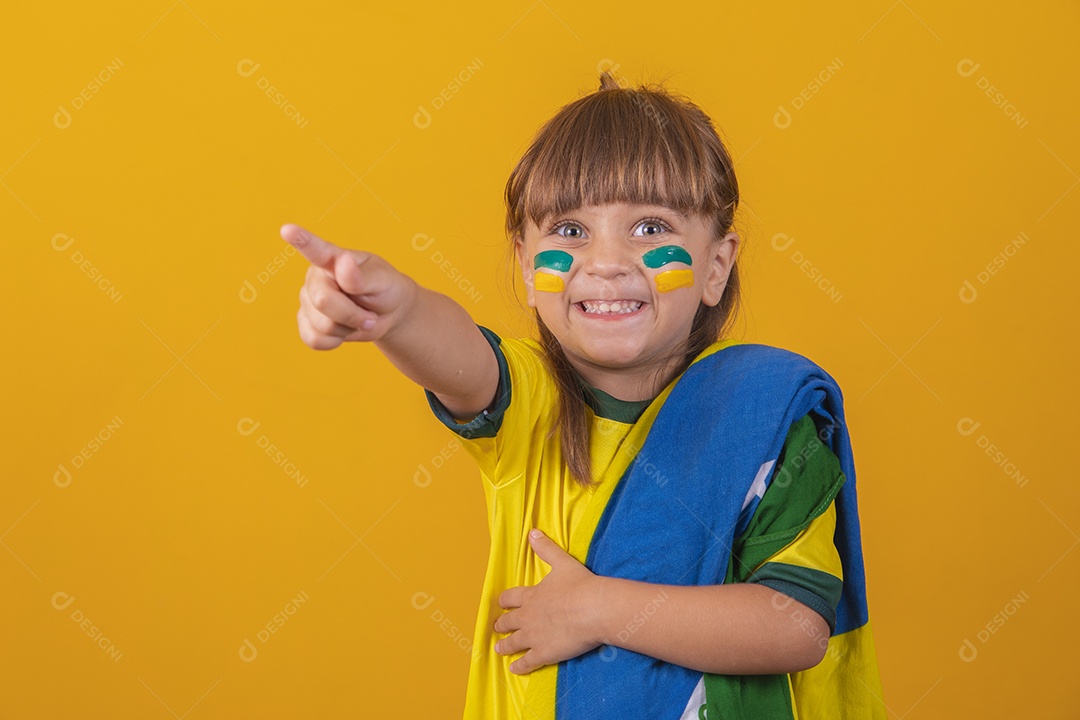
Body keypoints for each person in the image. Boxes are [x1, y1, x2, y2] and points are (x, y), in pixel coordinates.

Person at [281, 70, 885, 719]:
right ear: (525, 263)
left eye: (650, 227)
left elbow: (795, 627)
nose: (607, 261)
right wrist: (397, 313)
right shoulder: (530, 409)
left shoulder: (763, 414)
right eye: (569, 231)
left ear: (716, 266)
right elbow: (456, 355)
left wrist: (600, 609)